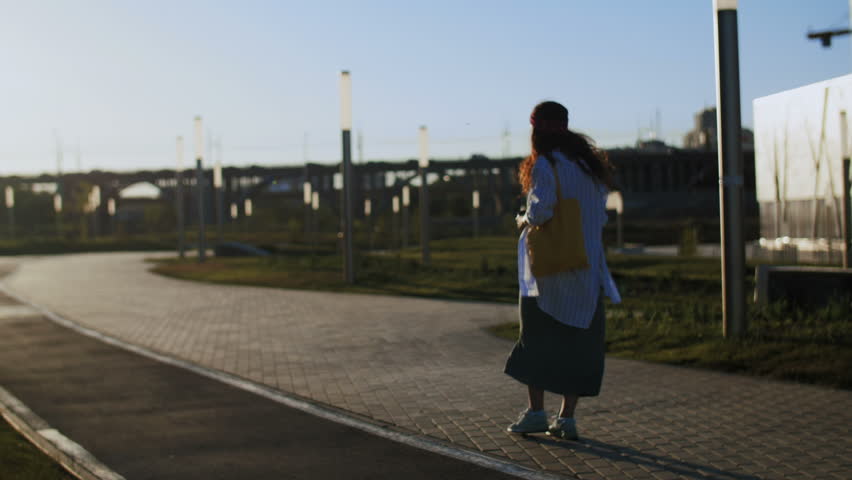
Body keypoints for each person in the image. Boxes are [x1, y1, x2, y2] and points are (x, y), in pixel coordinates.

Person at [504, 100, 621, 440]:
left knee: (537, 339)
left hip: (550, 272)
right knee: (579, 344)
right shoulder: (590, 168)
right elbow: (599, 217)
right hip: (587, 268)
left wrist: (522, 218)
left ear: (536, 130)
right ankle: (566, 419)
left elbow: (541, 213)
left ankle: (536, 412)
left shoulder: (545, 165)